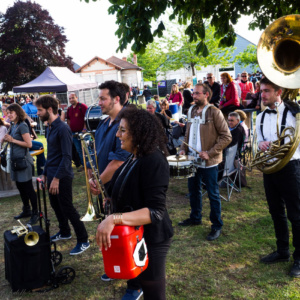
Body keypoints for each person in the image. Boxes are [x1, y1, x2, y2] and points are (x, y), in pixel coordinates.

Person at [96, 107, 173, 300]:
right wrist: (110, 196)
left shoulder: (154, 160)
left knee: (154, 295)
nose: (117, 134)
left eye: (122, 130)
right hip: (134, 235)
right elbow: (129, 188)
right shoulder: (136, 155)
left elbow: (156, 212)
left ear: (139, 132)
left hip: (151, 239)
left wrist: (115, 218)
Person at [87, 81, 142, 299]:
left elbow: (119, 161)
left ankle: (135, 285)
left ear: (116, 99)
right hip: (106, 187)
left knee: (127, 234)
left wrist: (98, 184)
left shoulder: (126, 123)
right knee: (111, 232)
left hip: (123, 188)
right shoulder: (103, 124)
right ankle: (117, 265)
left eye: (103, 98)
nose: (98, 102)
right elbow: (97, 153)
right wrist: (93, 175)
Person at [256, 77, 300, 278]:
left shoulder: (294, 113)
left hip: (291, 168)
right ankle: (282, 251)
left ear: (278, 92)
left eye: (266, 91)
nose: (262, 95)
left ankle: (299, 259)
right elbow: (259, 142)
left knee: (296, 215)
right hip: (270, 168)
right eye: (261, 91)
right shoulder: (260, 117)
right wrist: (262, 145)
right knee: (276, 212)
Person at [36, 95, 89, 255]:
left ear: (50, 109)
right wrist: (45, 174)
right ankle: (64, 231)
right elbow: (51, 154)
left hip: (62, 176)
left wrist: (57, 179)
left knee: (67, 208)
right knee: (56, 206)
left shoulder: (63, 128)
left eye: (40, 110)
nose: (37, 113)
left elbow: (67, 157)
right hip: (51, 175)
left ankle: (83, 239)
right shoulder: (49, 127)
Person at [178, 83, 232, 241]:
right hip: (192, 160)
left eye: (197, 94)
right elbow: (187, 133)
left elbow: (226, 136)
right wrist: (183, 148)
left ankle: (216, 225)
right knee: (193, 190)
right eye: (193, 93)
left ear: (206, 94)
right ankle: (195, 218)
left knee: (213, 194)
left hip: (210, 162)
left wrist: (210, 153)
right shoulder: (191, 110)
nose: (194, 96)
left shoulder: (215, 112)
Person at [2, 104, 39, 225]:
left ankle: (36, 212)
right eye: (7, 113)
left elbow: (29, 144)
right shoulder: (13, 125)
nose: (9, 115)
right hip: (15, 162)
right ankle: (27, 209)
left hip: (23, 161)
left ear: (17, 112)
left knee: (28, 188)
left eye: (11, 112)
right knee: (21, 188)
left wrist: (12, 140)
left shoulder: (22, 125)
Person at [66, 93, 88, 172]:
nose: (71, 100)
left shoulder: (82, 106)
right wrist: (69, 129)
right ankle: (84, 165)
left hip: (83, 132)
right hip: (73, 133)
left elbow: (86, 118)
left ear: (76, 97)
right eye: (70, 98)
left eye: (72, 98)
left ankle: (90, 165)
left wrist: (85, 128)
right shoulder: (69, 109)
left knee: (86, 149)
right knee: (79, 150)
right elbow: (68, 119)